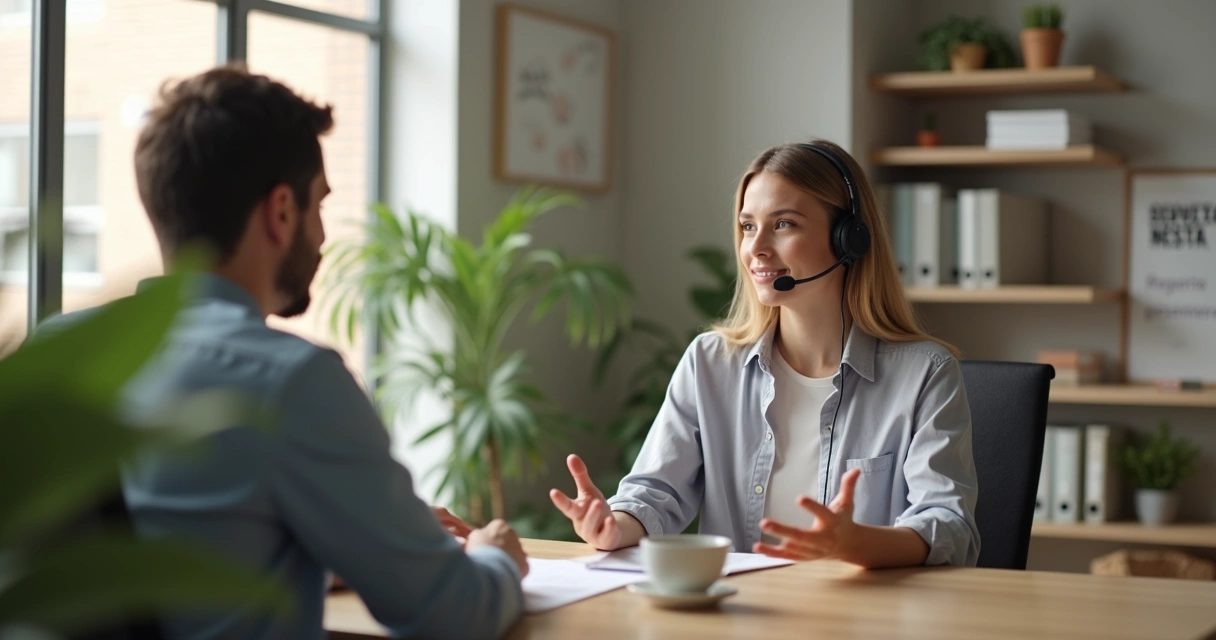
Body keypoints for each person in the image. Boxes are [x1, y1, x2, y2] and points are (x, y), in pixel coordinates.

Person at [40, 65, 527, 639]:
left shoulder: (57, 352)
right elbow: (451, 614)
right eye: (318, 205)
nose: (322, 234)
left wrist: (327, 548)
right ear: (280, 212)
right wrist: (496, 557)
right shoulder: (291, 381)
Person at [550, 140, 980, 569]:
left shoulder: (926, 373)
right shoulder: (709, 363)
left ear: (849, 239)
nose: (756, 249)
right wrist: (613, 525)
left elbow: (948, 524)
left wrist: (855, 544)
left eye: (784, 224)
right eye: (748, 226)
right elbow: (656, 494)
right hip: (742, 615)